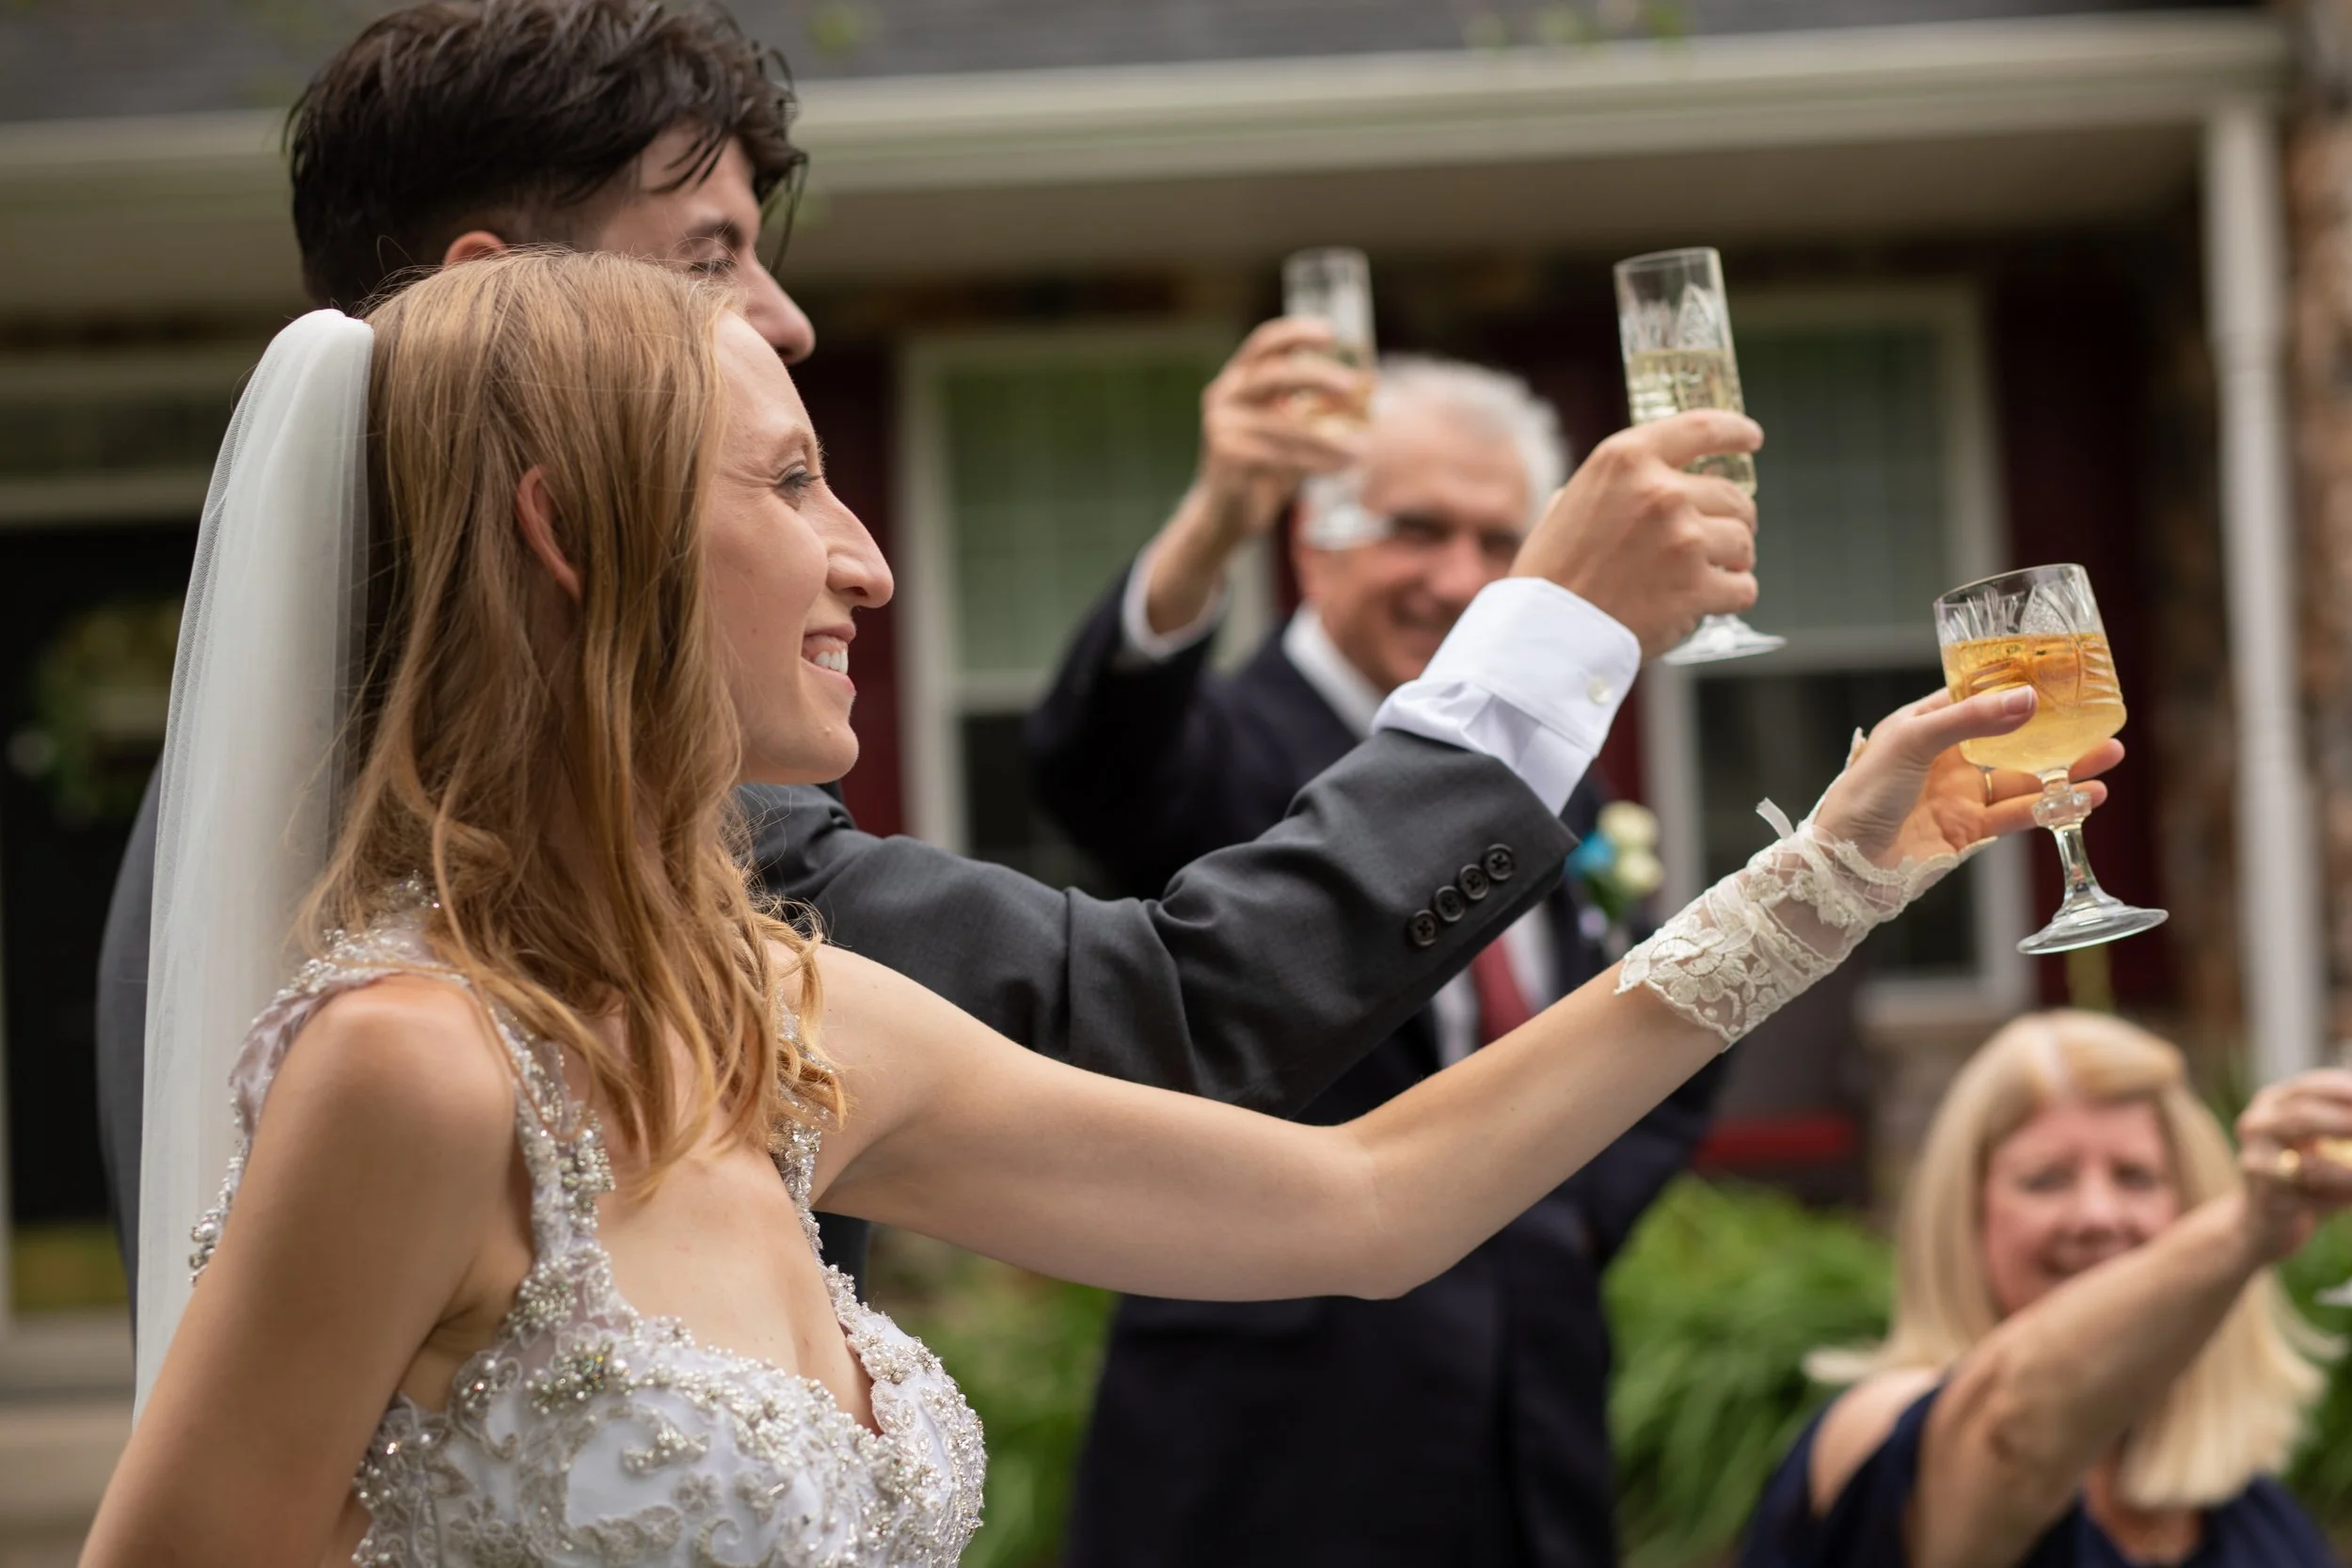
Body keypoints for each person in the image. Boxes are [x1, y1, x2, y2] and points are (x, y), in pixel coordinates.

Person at [84, 247, 2095, 1568]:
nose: (863, 560)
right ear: (566, 535)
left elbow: (1363, 1201)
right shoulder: (412, 1070)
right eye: (789, 483)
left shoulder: (792, 1013)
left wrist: (1827, 872)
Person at [92, 0, 1767, 1304]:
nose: (788, 318)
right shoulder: (590, 854)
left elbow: (1371, 1202)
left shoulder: (265, 774)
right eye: (711, 260)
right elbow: (1176, 1008)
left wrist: (1824, 878)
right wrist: (1549, 637)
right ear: (501, 294)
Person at [1030, 344, 1713, 1566]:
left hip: (1531, 1424)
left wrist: (1551, 1208)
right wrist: (1209, 527)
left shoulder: (1555, 774)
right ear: (1315, 540)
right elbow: (1097, 757)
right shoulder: (1220, 745)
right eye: (1417, 528)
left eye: (1500, 541)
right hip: (1270, 1446)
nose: (1459, 577)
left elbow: (1658, 1016)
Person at [1740, 1010, 2349, 1568]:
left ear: (2188, 1198)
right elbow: (2013, 1427)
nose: (2096, 1215)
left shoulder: (2249, 1506)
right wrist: (2246, 1228)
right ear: (1966, 1215)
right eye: (2046, 1179)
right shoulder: (1876, 1439)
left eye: (2135, 1176)